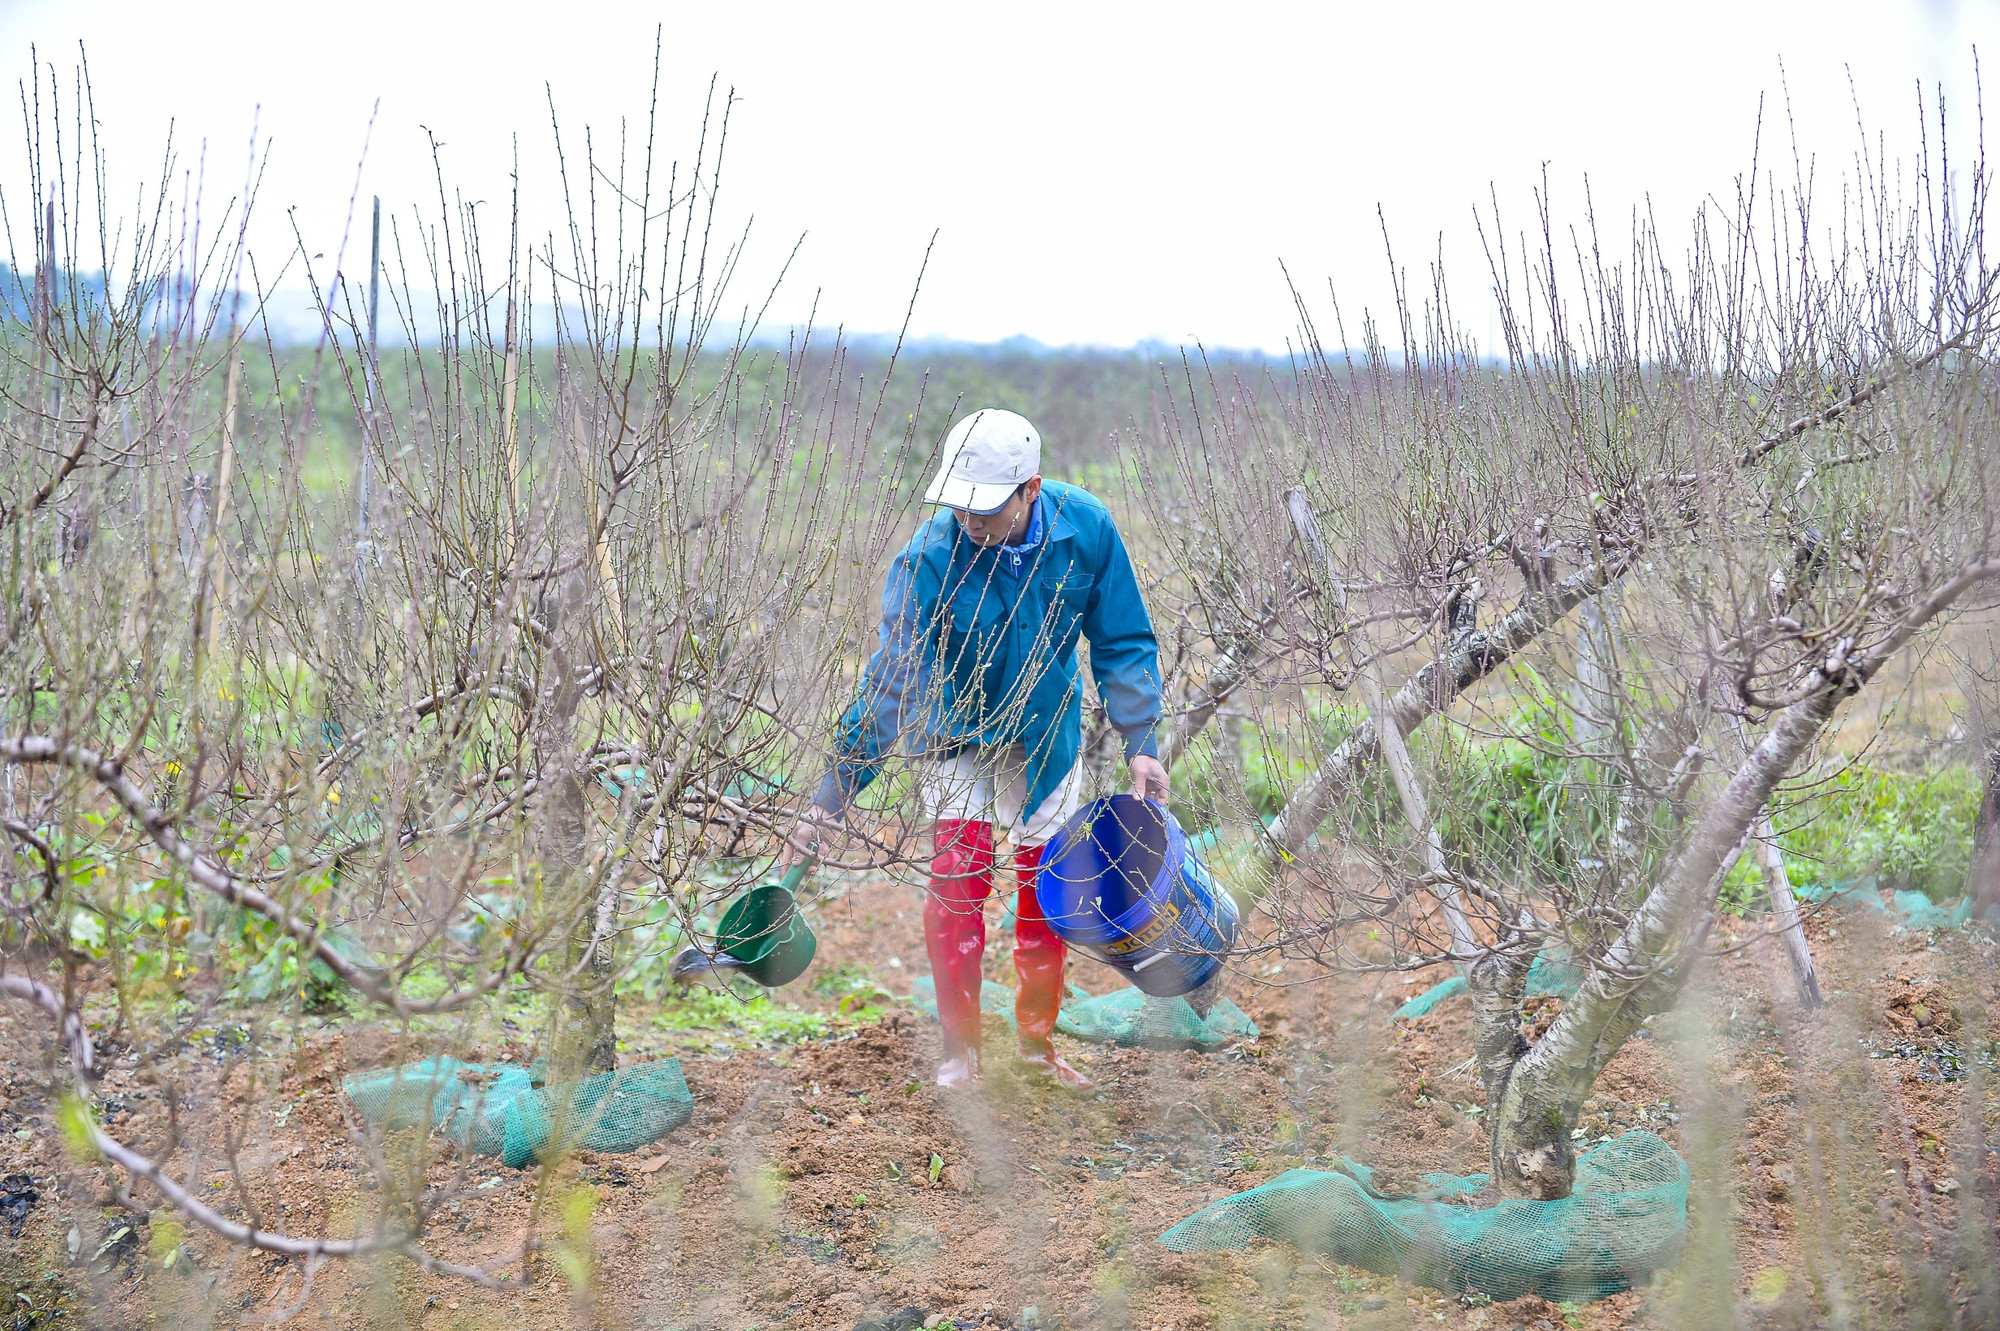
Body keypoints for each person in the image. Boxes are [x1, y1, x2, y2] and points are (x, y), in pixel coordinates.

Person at [781, 408, 1168, 1089]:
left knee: (1049, 890)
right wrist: (832, 794)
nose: (970, 520)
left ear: (1031, 489)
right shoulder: (930, 559)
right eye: (959, 505)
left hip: (1045, 732)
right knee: (956, 881)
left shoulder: (1087, 532)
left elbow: (1123, 640)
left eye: (985, 507)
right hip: (954, 730)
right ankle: (961, 1050)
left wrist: (1142, 741)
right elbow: (890, 681)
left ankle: (1036, 1049)